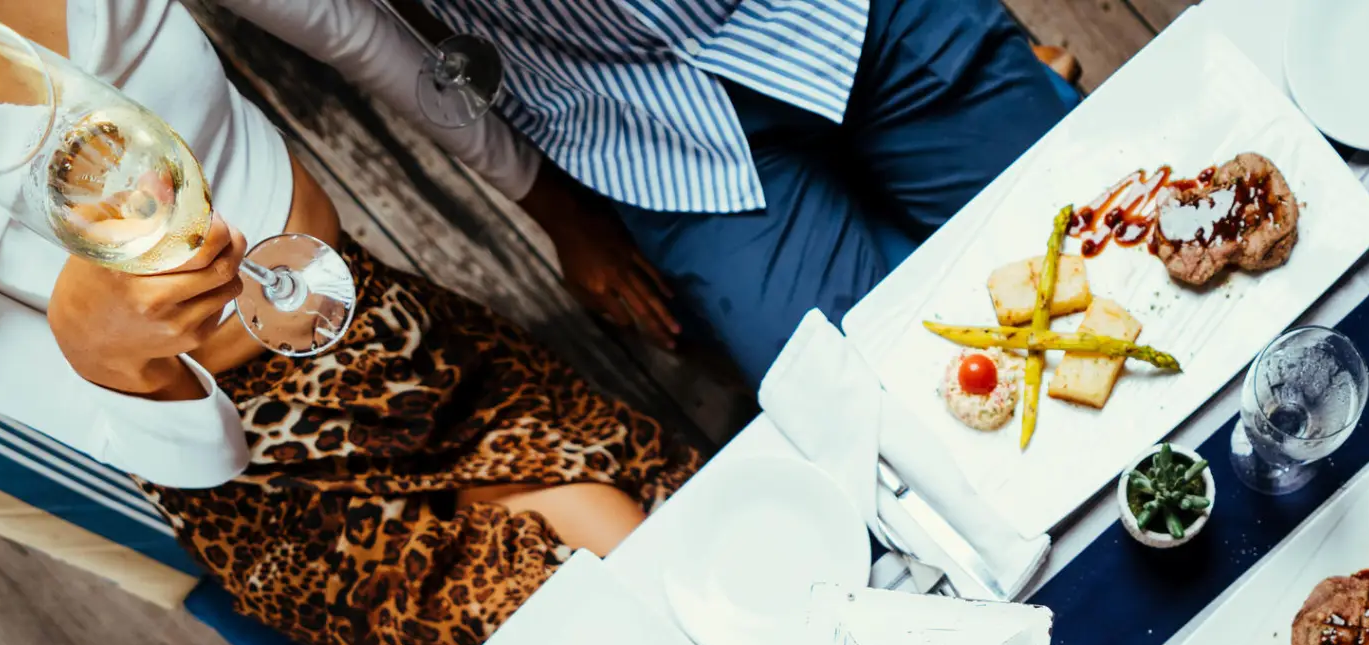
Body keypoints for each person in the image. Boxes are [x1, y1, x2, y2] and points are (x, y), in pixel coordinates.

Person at [0, 0, 699, 645]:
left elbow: (346, 28)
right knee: (617, 625)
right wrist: (106, 357)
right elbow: (198, 463)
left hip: (407, 342)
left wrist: (554, 208)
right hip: (278, 490)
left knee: (679, 544)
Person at [401, 0, 1081, 381]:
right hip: (633, 122)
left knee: (1086, 247)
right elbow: (362, 33)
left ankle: (1021, 99)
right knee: (869, 400)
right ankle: (1028, 102)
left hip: (837, 15)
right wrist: (560, 213)